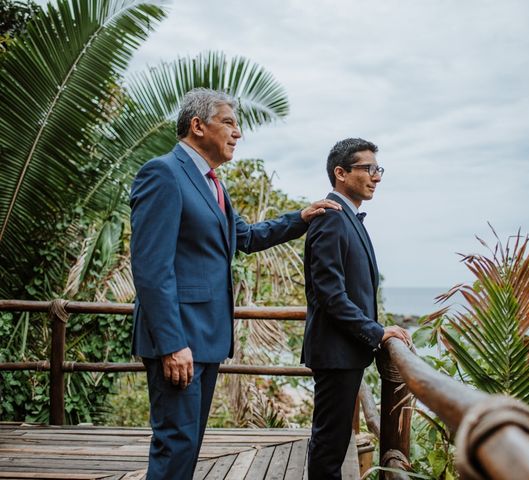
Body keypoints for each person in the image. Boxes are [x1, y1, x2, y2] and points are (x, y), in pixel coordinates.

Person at [129, 88, 341, 480]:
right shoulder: (163, 173)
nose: (238, 133)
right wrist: (172, 343)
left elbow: (245, 237)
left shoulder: (213, 183)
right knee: (175, 442)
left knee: (189, 443)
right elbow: (150, 267)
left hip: (207, 337)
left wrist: (301, 218)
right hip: (179, 339)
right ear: (197, 126)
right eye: (228, 122)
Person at [302, 138, 412, 479]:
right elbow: (330, 294)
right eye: (368, 168)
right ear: (340, 173)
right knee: (329, 444)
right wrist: (377, 332)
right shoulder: (331, 219)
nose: (376, 176)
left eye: (378, 169)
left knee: (332, 442)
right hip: (336, 352)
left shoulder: (348, 218)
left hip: (344, 351)